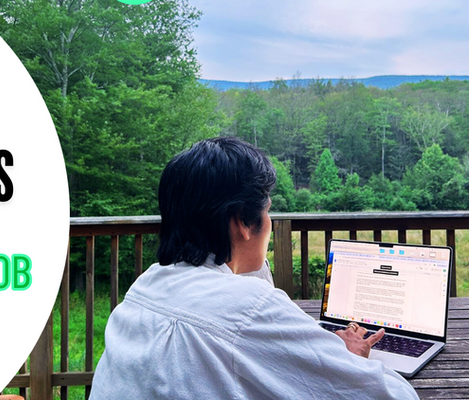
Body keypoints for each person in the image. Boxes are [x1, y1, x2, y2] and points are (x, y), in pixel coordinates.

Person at [89, 137, 418, 399]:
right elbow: (393, 395)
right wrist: (347, 359)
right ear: (242, 223)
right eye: (267, 210)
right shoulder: (249, 308)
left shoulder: (144, 288)